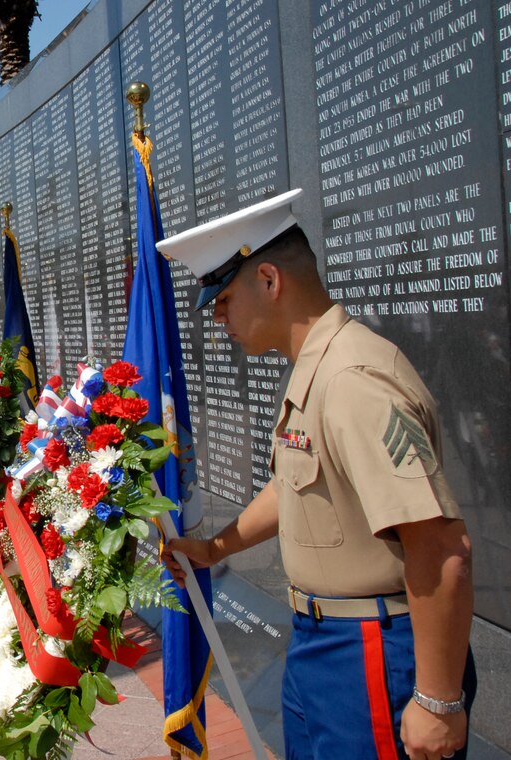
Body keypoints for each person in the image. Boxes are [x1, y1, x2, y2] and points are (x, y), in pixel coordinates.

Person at [158, 189, 476, 760]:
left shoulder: (352, 379)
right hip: (320, 645)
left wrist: (438, 699)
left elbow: (439, 544)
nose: (218, 317)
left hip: (375, 650)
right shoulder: (316, 370)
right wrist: (214, 548)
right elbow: (294, 487)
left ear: (271, 281)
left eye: (224, 297)